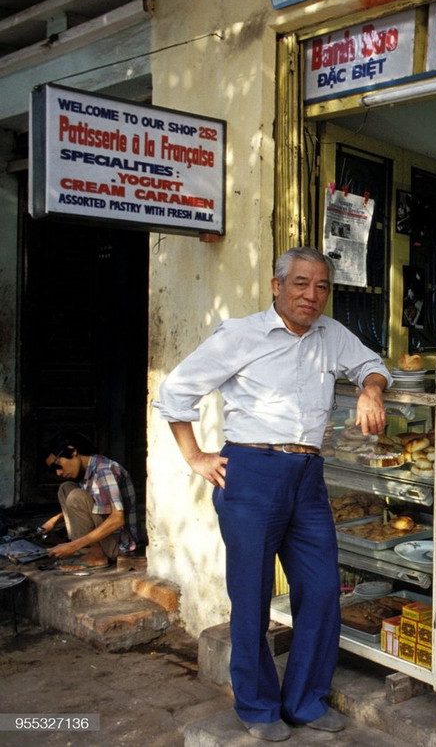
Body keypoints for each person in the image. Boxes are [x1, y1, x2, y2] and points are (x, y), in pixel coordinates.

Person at [154, 247, 390, 742]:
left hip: (308, 476)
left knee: (321, 591)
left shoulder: (331, 335)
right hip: (252, 473)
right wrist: (195, 457)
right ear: (276, 286)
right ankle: (258, 706)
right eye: (300, 284)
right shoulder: (240, 334)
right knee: (252, 597)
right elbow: (175, 394)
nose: (311, 295)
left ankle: (305, 701)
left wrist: (371, 388)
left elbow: (372, 363)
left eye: (321, 286)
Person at [39, 431, 140, 571]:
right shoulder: (89, 471)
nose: (58, 473)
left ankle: (97, 556)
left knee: (76, 496)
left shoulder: (104, 471)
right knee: (66, 488)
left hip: (120, 546)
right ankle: (88, 550)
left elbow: (118, 519)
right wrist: (54, 521)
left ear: (72, 451)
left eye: (57, 466)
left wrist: (72, 546)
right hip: (106, 539)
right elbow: (93, 505)